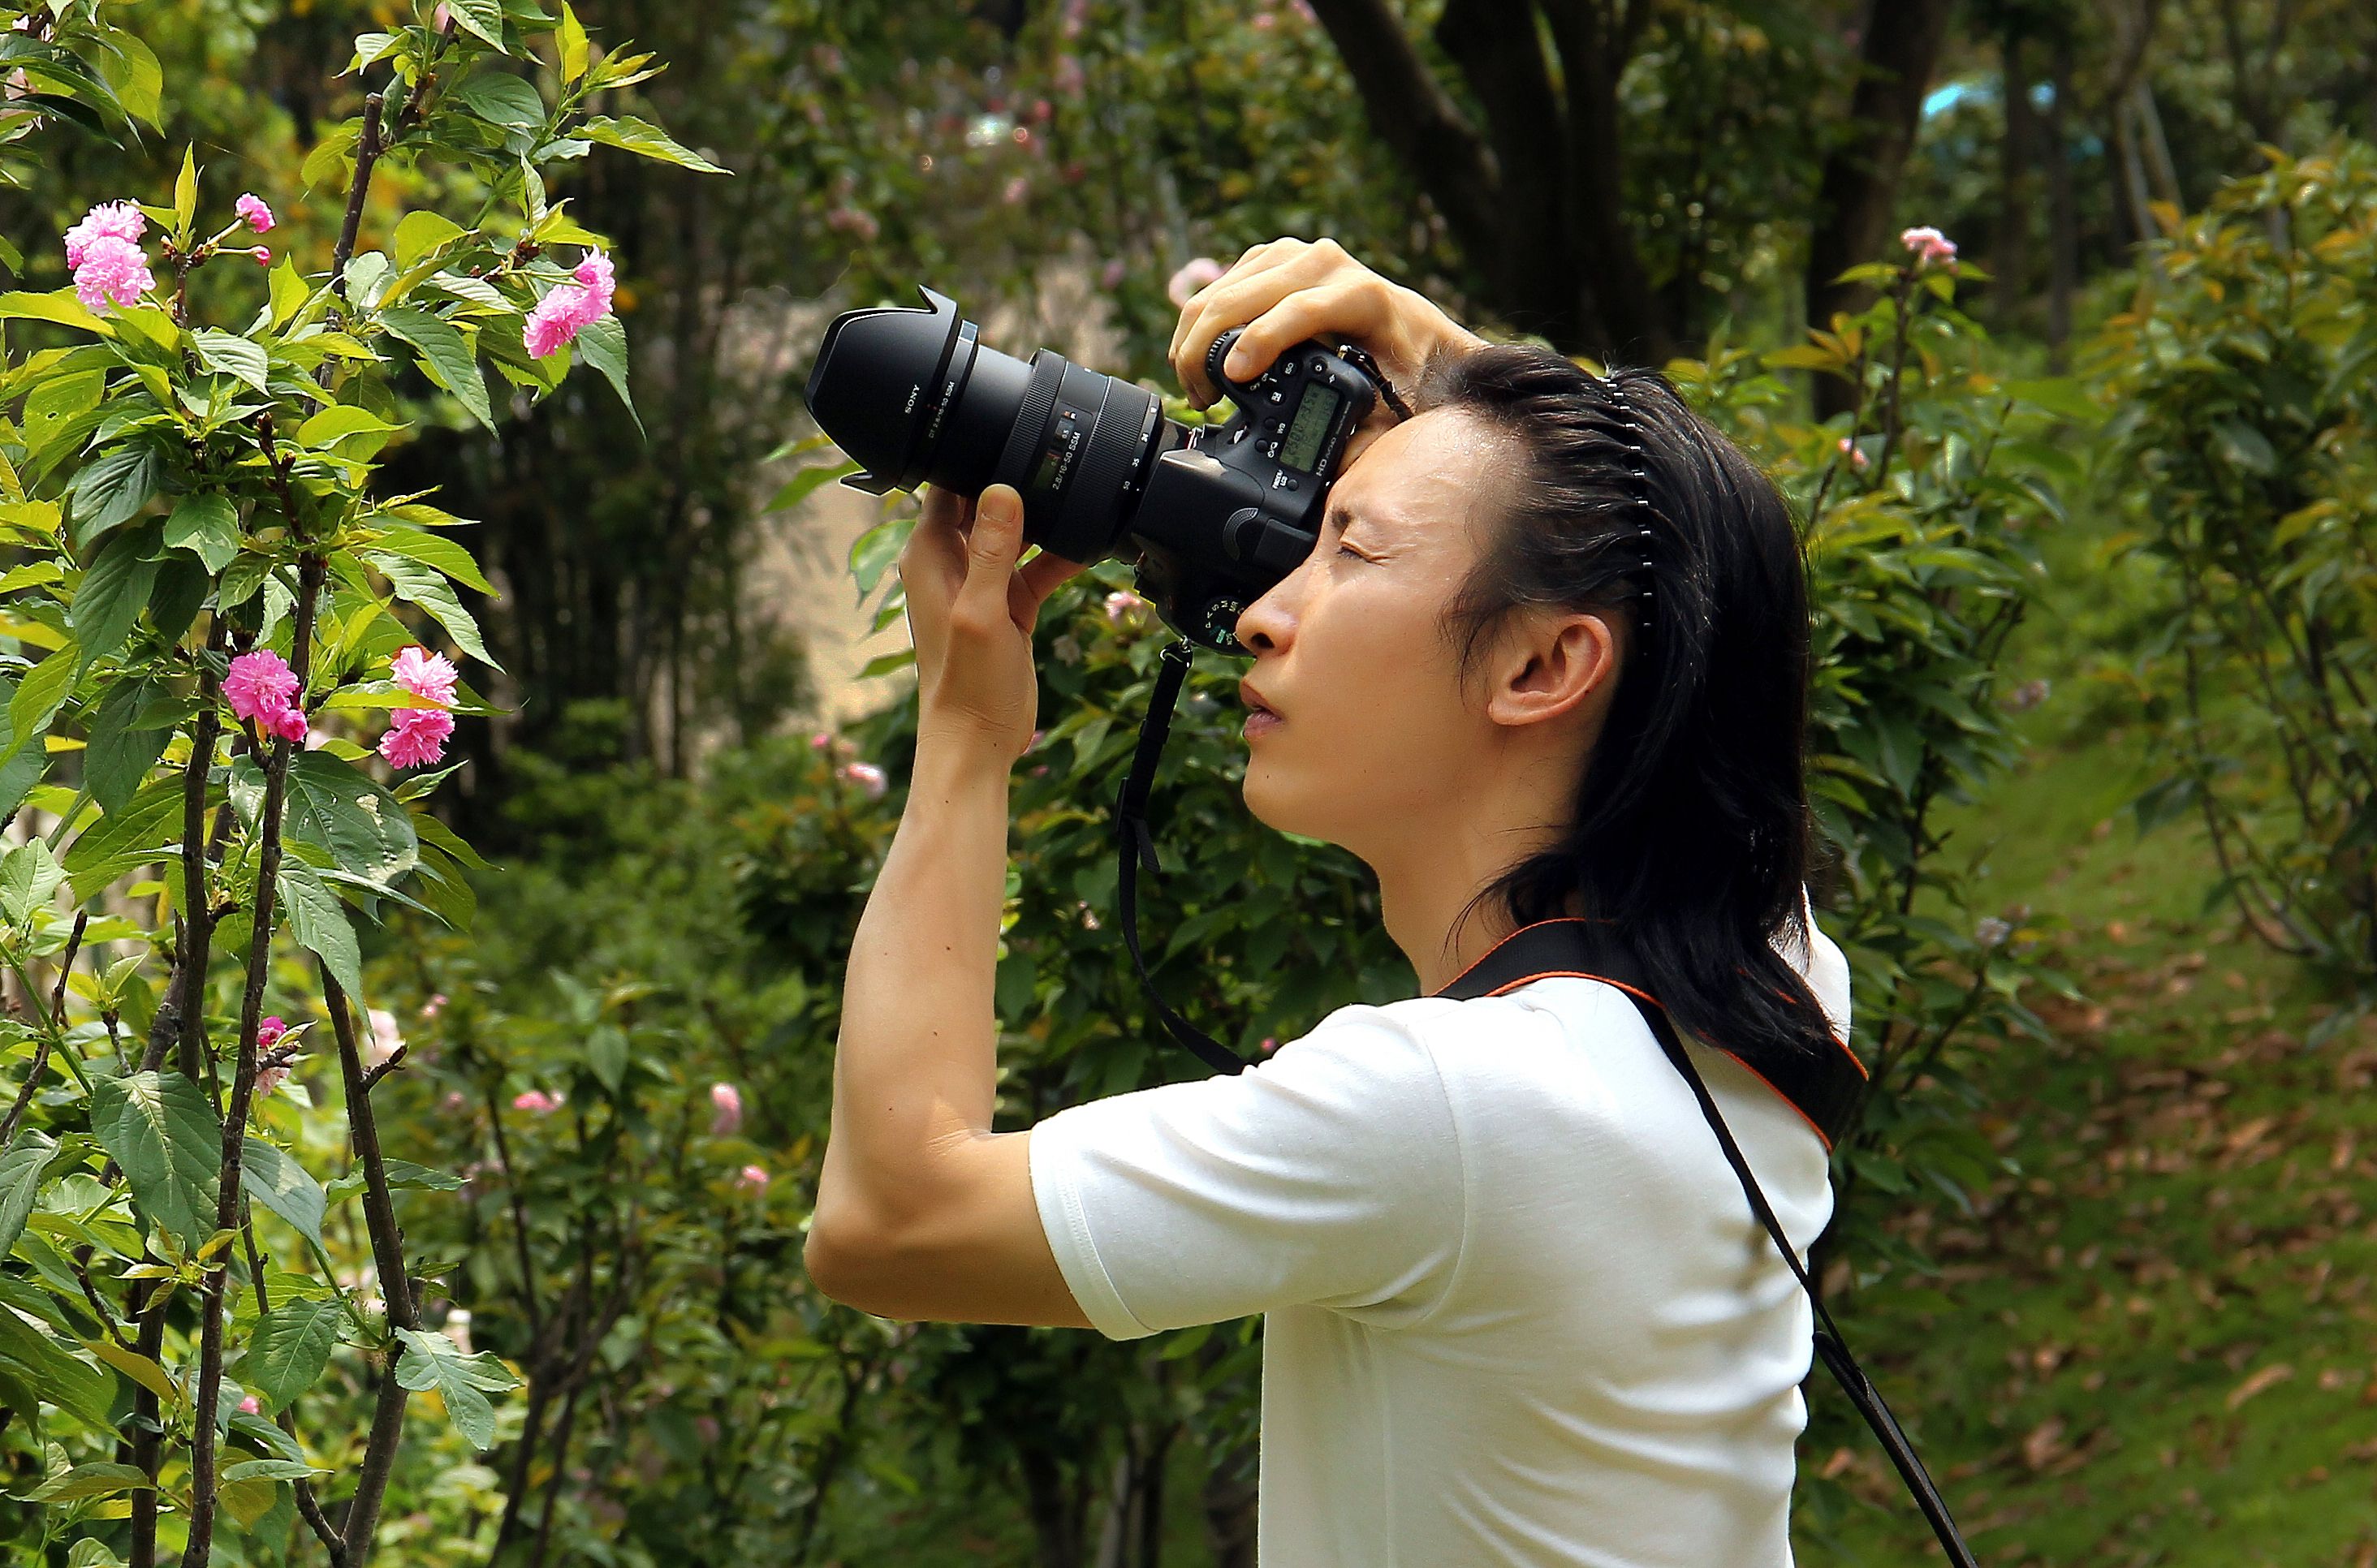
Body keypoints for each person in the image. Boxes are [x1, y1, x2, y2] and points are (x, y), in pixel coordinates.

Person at [806, 236, 1861, 1566]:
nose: (1261, 611)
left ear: (1545, 662)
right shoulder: (1762, 983)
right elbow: (1698, 584)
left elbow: (888, 1226)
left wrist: (966, 734)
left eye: (1349, 552)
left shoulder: (1452, 1108)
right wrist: (1452, 373)